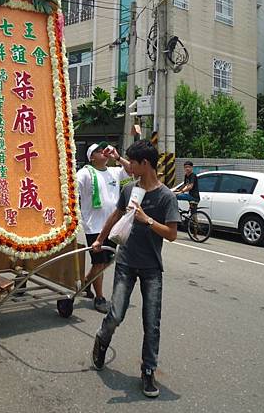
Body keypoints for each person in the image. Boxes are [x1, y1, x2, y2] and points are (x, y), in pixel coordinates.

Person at [90, 140, 180, 398]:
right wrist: (100, 239)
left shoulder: (166, 197)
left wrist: (147, 220)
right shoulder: (130, 190)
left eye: (134, 163)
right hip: (126, 263)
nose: (129, 167)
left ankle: (148, 370)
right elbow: (115, 216)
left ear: (146, 164)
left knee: (151, 323)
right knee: (116, 314)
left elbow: (172, 235)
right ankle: (102, 340)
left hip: (152, 268)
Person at [77, 141, 131, 313]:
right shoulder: (85, 173)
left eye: (105, 150)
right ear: (92, 157)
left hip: (113, 225)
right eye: (99, 151)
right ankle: (99, 298)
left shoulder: (115, 171)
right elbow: (72, 188)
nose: (104, 152)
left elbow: (132, 171)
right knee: (99, 262)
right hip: (94, 226)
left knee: (107, 260)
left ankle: (86, 281)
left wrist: (118, 157)